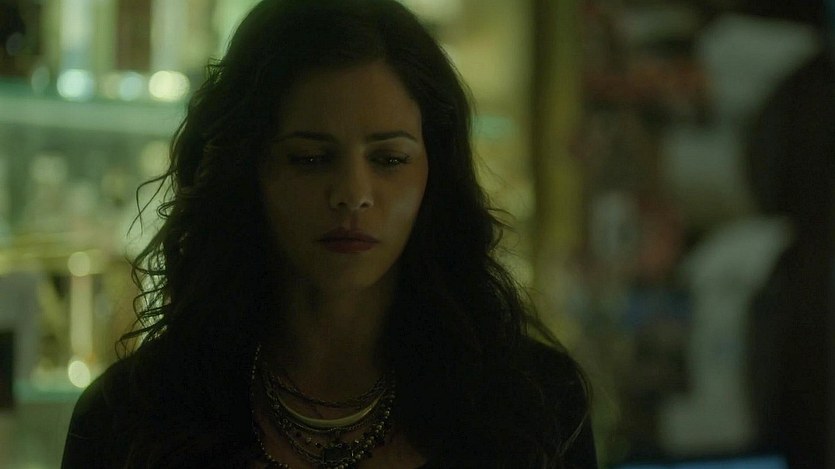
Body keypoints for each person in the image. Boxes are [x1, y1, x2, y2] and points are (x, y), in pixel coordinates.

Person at [61, 0, 596, 467]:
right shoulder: (135, 418)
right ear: (248, 170)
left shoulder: (530, 409)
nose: (352, 194)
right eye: (311, 158)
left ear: (434, 172)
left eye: (389, 159)